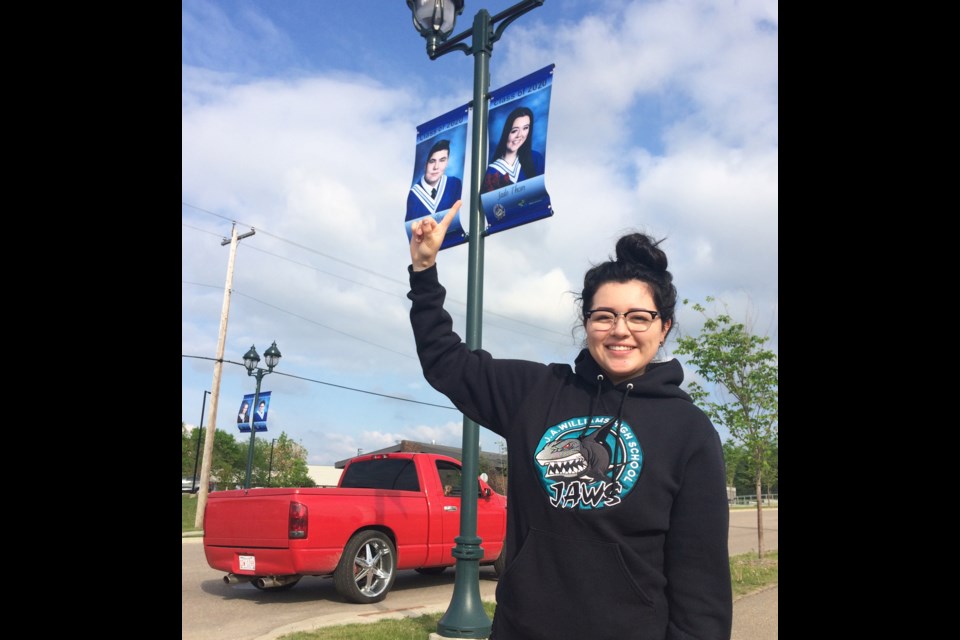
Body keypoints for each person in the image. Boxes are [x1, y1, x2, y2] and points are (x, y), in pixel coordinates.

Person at [407, 202, 732, 640]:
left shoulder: (689, 431)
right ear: (587, 323)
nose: (621, 330)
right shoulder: (536, 392)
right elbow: (446, 362)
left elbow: (701, 586)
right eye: (604, 316)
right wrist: (424, 271)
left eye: (639, 317)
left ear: (664, 327)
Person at [480, 106, 545, 194]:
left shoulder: (536, 158)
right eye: (514, 131)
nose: (520, 135)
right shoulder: (491, 172)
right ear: (506, 132)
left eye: (525, 128)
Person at [406, 139, 463, 221]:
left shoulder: (455, 184)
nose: (436, 167)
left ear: (447, 162)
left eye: (442, 160)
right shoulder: (413, 196)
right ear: (425, 164)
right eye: (432, 161)